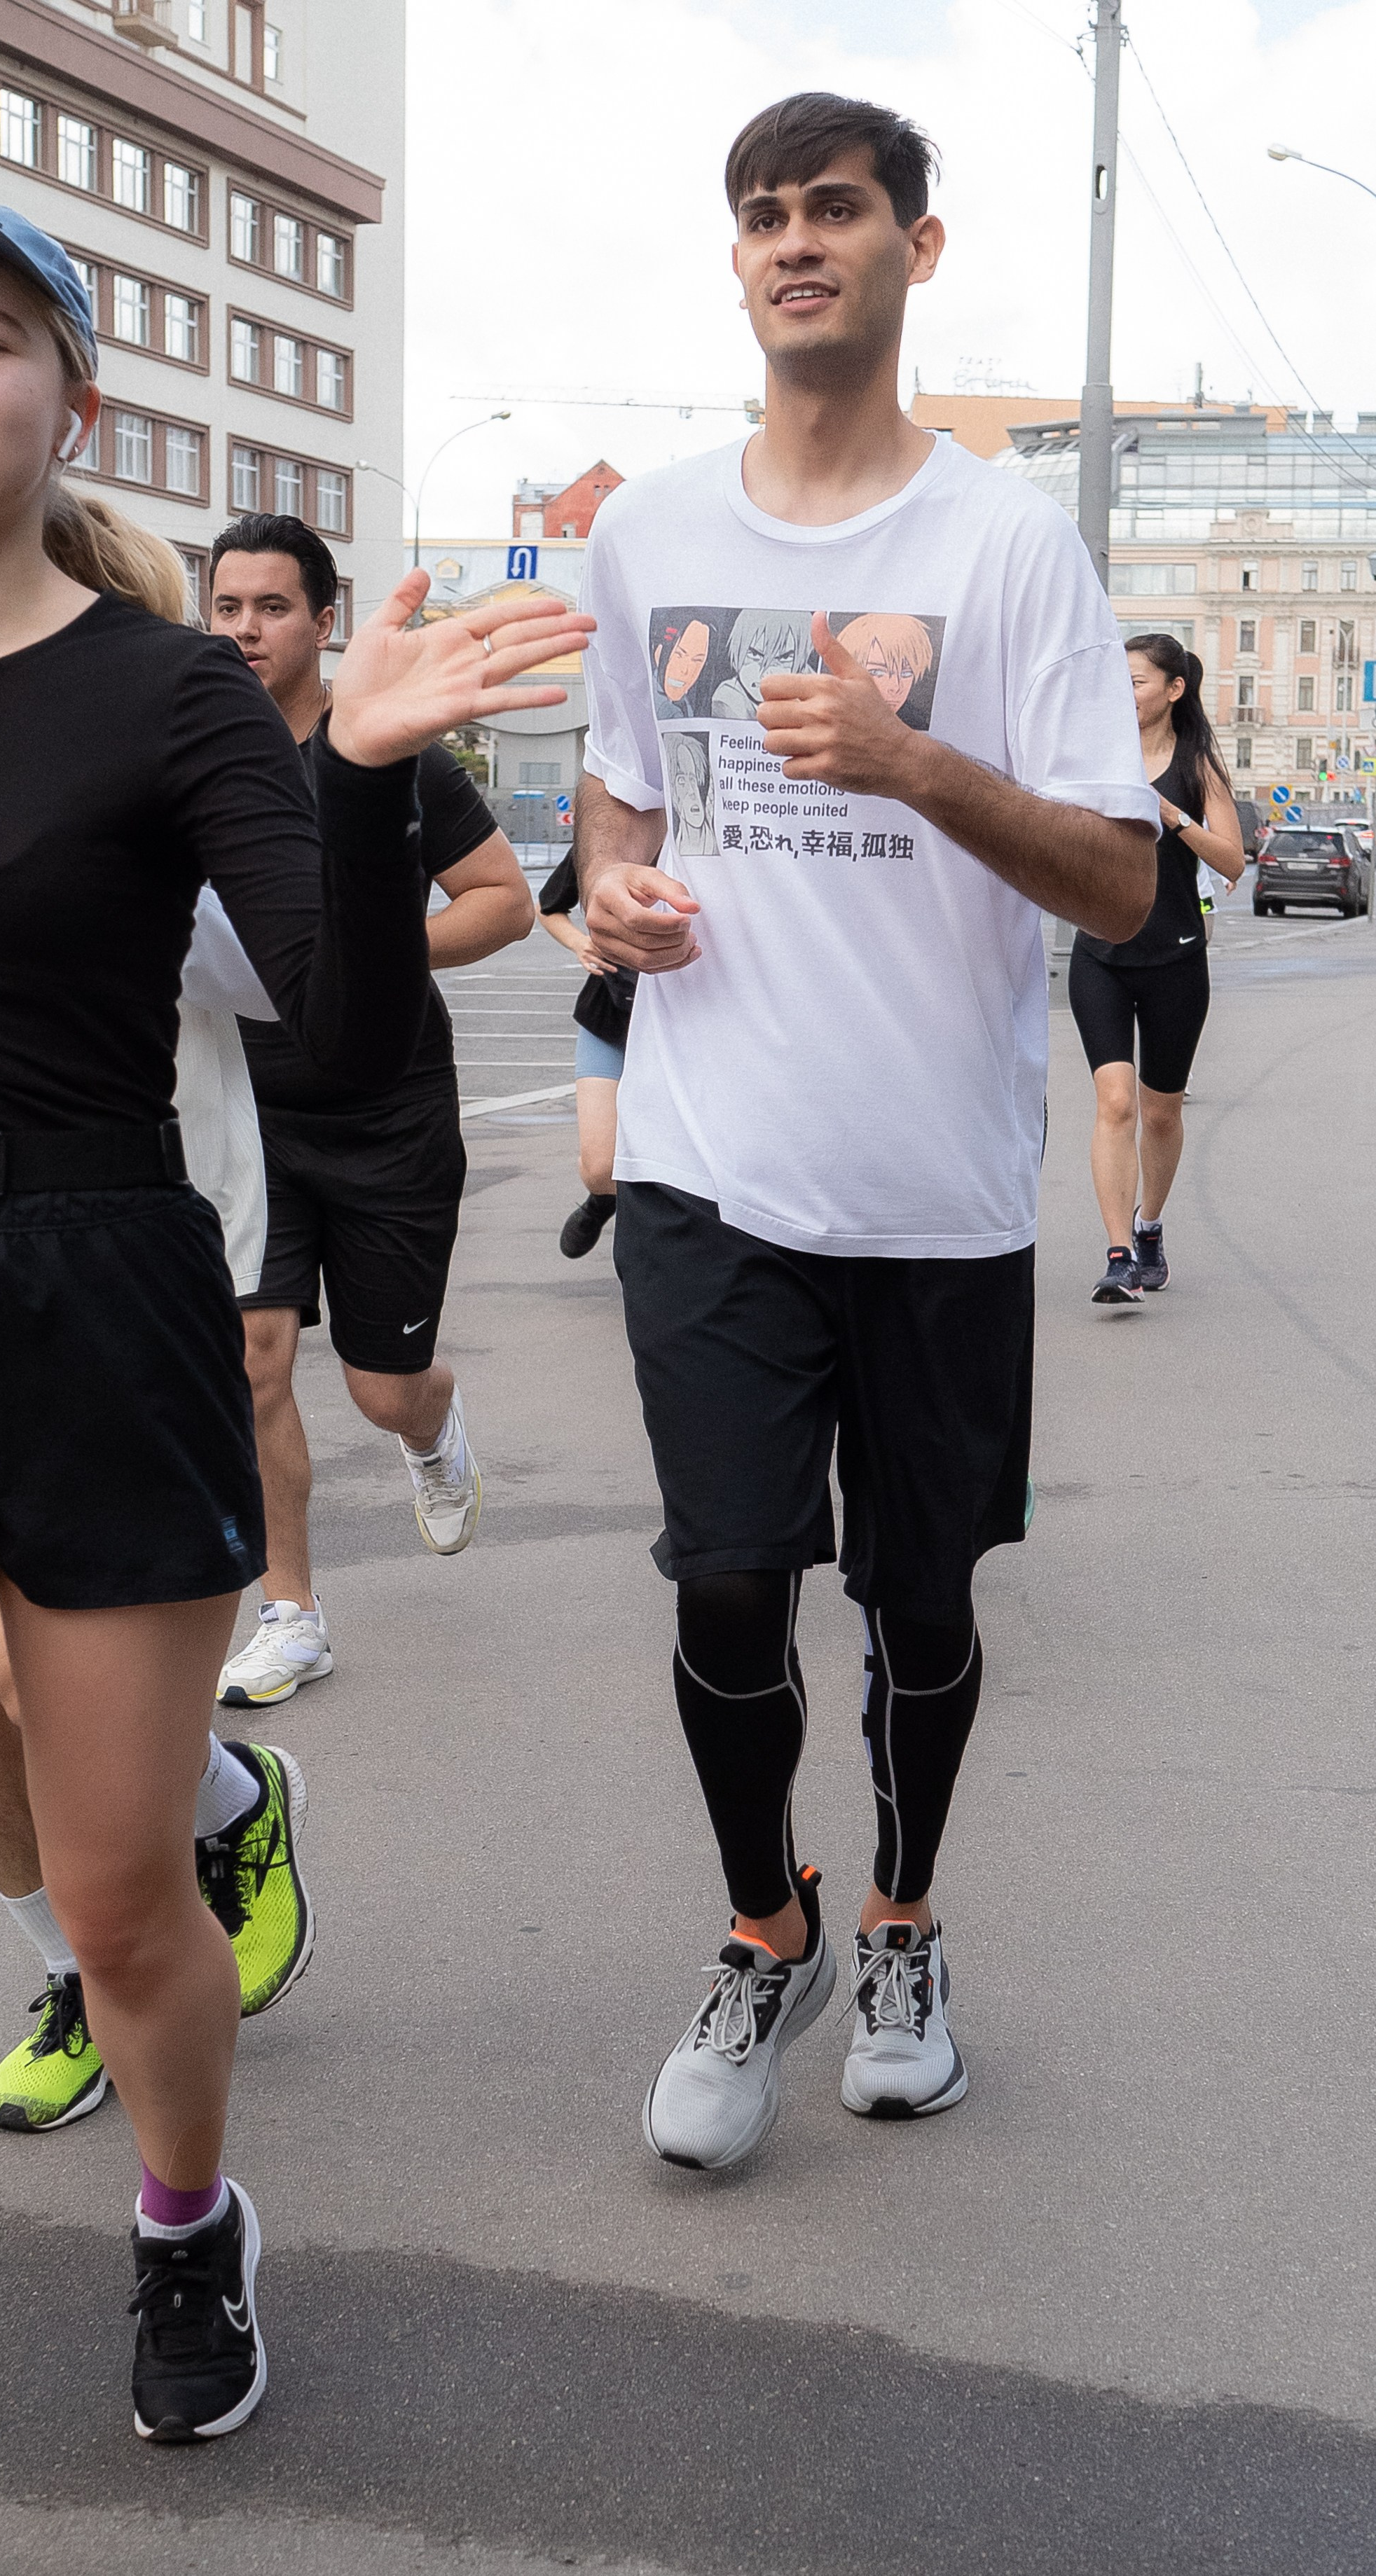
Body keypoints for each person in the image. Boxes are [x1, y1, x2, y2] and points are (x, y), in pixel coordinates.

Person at [0, 179, 592, 2473]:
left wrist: (358, 761)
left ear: (69, 398)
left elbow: (322, 983)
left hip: (102, 1274)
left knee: (121, 1900)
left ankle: (188, 2207)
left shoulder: (166, 683)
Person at [575, 92, 1157, 2173]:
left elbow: (1115, 884)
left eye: (833, 209)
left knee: (917, 1603)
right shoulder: (645, 530)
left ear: (917, 247)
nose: (792, 241)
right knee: (728, 1574)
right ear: (732, 261)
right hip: (706, 1153)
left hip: (927, 1187)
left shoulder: (1001, 542)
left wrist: (911, 759)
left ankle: (902, 1923)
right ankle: (768, 1925)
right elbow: (620, 797)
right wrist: (610, 891)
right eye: (760, 214)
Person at [0, 490, 322, 2138]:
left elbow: (289, 979)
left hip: (125, 1236)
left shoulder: (164, 719)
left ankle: (188, 1842)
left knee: (35, 1695)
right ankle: (79, 1952)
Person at [208, 516, 535, 1708]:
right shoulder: (194, 753)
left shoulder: (391, 752)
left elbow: (502, 902)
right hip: (247, 1115)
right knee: (251, 1357)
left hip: (389, 1110)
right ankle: (291, 1610)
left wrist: (361, 960)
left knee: (378, 1386)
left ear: (323, 620)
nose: (248, 629)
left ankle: (431, 1424)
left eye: (273, 607)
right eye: (229, 606)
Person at [1068, 634, 1243, 1303]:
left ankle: (1149, 1228)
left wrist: (1173, 818)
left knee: (1159, 1113)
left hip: (1174, 958)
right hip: (1100, 953)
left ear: (1174, 690)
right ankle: (1118, 1256)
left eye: (1137, 680)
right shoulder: (1098, 755)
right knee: (1114, 1102)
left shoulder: (1197, 764)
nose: (1125, 691)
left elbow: (1232, 861)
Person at [537, 849, 636, 1257]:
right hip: (611, 1016)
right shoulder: (611, 835)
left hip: (699, 1023)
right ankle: (603, 1201)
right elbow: (549, 908)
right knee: (601, 1168)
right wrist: (581, 944)